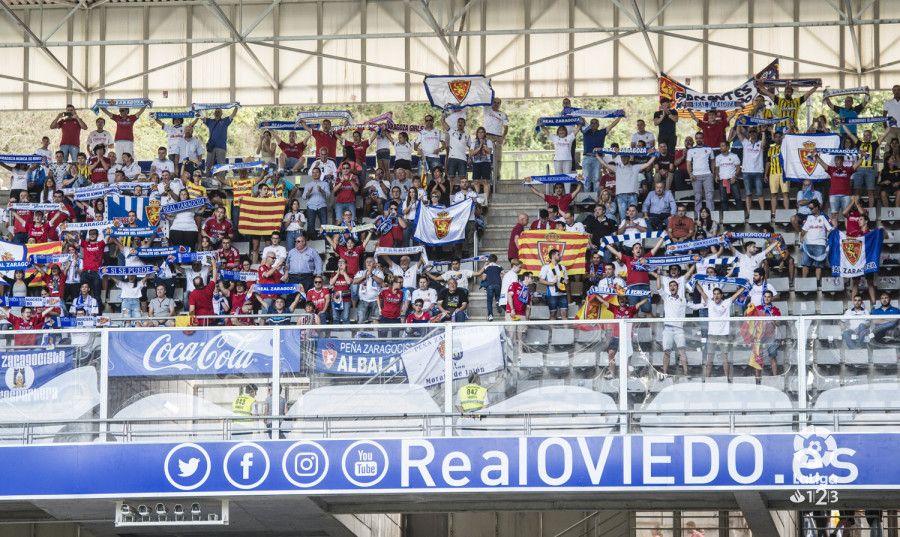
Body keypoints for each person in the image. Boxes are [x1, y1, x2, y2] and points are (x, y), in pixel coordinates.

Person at [593, 293, 648, 379]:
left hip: (626, 338)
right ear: (618, 300)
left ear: (626, 300)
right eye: (620, 299)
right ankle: (611, 373)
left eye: (623, 298)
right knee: (611, 354)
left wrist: (647, 295)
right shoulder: (614, 308)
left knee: (627, 358)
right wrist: (595, 293)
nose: (622, 300)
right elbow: (603, 301)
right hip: (615, 337)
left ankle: (627, 376)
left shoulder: (631, 309)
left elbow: (642, 302)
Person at [697, 284, 746, 381]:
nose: (716, 296)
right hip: (712, 335)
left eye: (718, 294)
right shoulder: (710, 303)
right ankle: (707, 380)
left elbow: (736, 295)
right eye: (714, 294)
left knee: (725, 360)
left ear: (721, 295)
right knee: (709, 360)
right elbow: (702, 292)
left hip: (724, 336)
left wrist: (744, 286)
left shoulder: (727, 302)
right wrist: (695, 282)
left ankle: (728, 379)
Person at [582, 116, 622, 192]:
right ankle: (587, 199)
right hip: (587, 157)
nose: (593, 124)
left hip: (598, 158)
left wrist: (619, 117)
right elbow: (580, 121)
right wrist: (573, 112)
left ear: (598, 125)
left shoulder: (602, 132)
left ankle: (597, 198)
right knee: (586, 179)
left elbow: (612, 125)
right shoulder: (585, 132)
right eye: (592, 123)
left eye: (595, 123)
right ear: (589, 125)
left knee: (596, 179)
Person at [799, 200, 833, 279]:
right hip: (808, 244)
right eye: (809, 208)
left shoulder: (824, 217)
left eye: (812, 208)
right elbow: (804, 230)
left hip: (820, 244)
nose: (810, 210)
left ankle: (818, 283)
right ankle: (804, 282)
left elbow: (831, 229)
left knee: (819, 265)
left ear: (817, 207)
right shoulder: (808, 217)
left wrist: (828, 242)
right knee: (805, 264)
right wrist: (801, 238)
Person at [539, 248, 569, 320]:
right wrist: (551, 283)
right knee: (553, 314)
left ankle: (566, 331)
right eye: (558, 255)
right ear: (553, 256)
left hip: (562, 294)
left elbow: (567, 280)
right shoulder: (546, 267)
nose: (560, 256)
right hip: (552, 294)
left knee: (564, 314)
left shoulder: (563, 267)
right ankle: (552, 331)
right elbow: (541, 280)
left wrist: (565, 282)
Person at [764, 130, 789, 213]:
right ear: (773, 138)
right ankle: (773, 213)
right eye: (776, 137)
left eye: (779, 137)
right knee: (773, 194)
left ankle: (786, 212)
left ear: (782, 138)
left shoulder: (786, 147)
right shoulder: (771, 149)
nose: (778, 138)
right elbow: (768, 162)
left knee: (785, 193)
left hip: (784, 173)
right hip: (773, 174)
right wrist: (765, 175)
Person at [714, 141, 742, 210]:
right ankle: (725, 216)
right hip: (722, 180)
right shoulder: (718, 157)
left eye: (723, 146)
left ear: (728, 147)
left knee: (737, 198)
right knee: (723, 199)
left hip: (732, 180)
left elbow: (738, 168)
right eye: (720, 146)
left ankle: (740, 215)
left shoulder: (734, 156)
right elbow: (717, 168)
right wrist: (717, 176)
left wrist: (735, 176)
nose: (721, 147)